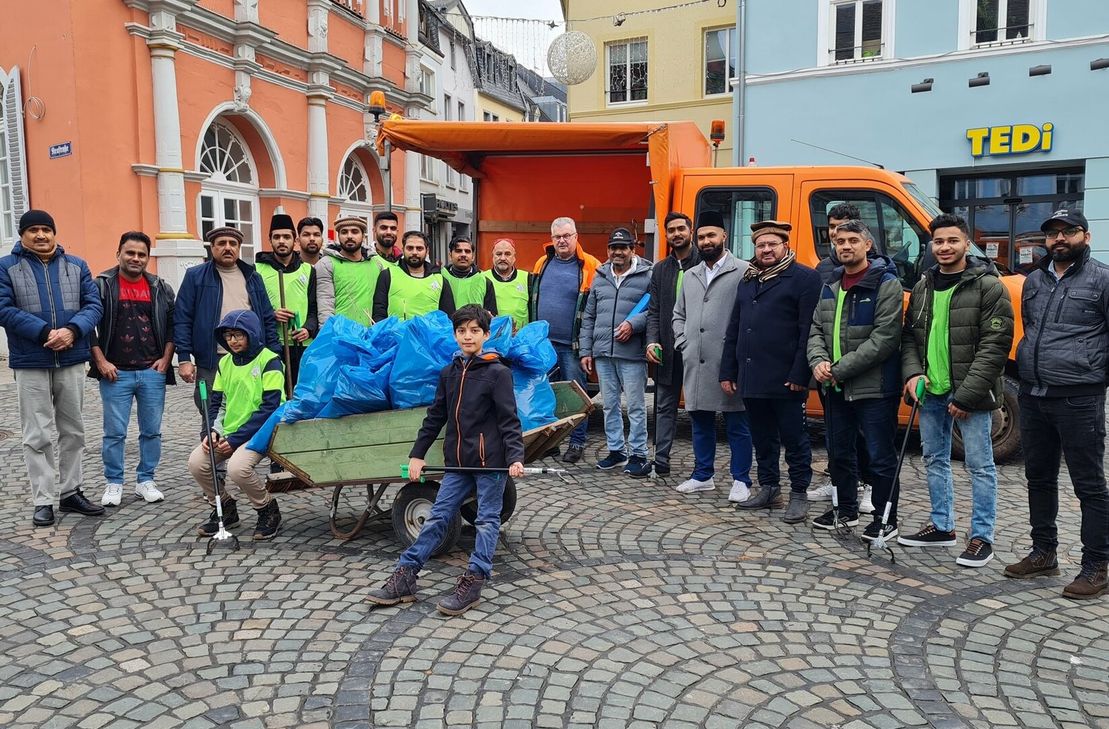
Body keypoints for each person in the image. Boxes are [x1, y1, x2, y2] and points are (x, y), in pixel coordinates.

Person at [367, 305, 525, 616]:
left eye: (474, 331)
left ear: (486, 335)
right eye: (462, 331)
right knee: (439, 515)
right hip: (458, 462)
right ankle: (406, 577)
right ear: (454, 335)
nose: (468, 336)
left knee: (486, 520)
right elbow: (436, 416)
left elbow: (509, 420)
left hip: (490, 464)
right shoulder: (449, 372)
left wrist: (515, 457)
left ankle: (475, 579)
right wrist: (417, 454)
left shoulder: (498, 373)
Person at [1004, 208, 1109, 599]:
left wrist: (1094, 377)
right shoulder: (1034, 281)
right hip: (1034, 393)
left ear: (1086, 236)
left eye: (1069, 231)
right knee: (1039, 477)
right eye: (1053, 233)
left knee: (1089, 484)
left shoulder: (1102, 279)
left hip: (1079, 396)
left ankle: (1097, 564)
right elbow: (1032, 329)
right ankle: (1043, 551)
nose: (1060, 238)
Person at [898, 213, 1013, 567]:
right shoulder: (923, 286)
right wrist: (914, 374)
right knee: (934, 459)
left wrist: (968, 395)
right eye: (938, 241)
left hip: (969, 394)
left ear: (966, 243)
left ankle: (981, 537)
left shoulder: (988, 285)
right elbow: (910, 337)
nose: (945, 247)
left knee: (980, 465)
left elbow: (996, 344)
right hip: (930, 391)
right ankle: (942, 526)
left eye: (952, 241)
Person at [0, 209, 105, 527]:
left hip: (71, 359)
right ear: (23, 235)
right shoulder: (7, 267)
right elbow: (3, 308)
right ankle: (43, 499)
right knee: (37, 434)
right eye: (33, 230)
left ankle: (70, 492)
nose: (41, 235)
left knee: (73, 431)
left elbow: (94, 305)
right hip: (31, 360)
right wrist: (46, 332)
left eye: (46, 229)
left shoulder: (77, 265)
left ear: (55, 233)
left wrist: (72, 330)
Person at [807, 220, 905, 539]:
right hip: (834, 387)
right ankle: (846, 510)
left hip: (873, 387)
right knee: (839, 452)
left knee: (879, 455)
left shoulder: (885, 283)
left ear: (867, 245)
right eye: (839, 241)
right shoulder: (830, 284)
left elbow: (884, 339)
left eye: (852, 240)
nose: (845, 246)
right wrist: (818, 361)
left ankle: (885, 517)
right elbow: (815, 330)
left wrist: (837, 368)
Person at [721, 220, 821, 521]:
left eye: (771, 245)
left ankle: (799, 493)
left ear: (785, 246)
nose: (766, 250)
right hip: (752, 375)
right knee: (762, 437)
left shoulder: (804, 278)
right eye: (761, 245)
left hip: (786, 378)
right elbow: (735, 327)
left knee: (794, 438)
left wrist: (799, 374)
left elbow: (808, 331)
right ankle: (769, 488)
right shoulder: (749, 279)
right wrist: (728, 370)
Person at [90, 231, 177, 507]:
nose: (136, 258)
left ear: (148, 258)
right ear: (118, 253)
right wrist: (101, 362)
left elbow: (174, 326)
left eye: (141, 254)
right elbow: (87, 327)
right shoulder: (102, 285)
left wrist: (166, 359)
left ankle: (145, 480)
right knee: (114, 432)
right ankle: (114, 483)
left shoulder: (160, 287)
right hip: (116, 373)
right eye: (130, 252)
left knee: (151, 431)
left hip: (152, 371)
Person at [672, 211, 752, 500]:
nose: (706, 241)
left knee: (737, 423)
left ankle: (741, 479)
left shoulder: (743, 271)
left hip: (728, 362)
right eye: (702, 236)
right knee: (700, 421)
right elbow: (678, 314)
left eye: (711, 236)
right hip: (696, 360)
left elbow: (749, 316)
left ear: (724, 236)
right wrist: (684, 342)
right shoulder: (690, 275)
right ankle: (702, 474)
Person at [187, 310, 284, 541]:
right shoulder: (225, 363)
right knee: (197, 463)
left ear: (252, 334)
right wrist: (212, 431)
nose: (233, 340)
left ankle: (267, 509)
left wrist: (234, 441)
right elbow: (216, 404)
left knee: (238, 469)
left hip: (264, 431)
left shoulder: (270, 360)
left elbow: (269, 408)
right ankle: (225, 508)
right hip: (231, 432)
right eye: (229, 336)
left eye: (239, 335)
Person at [174, 226, 278, 428]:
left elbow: (266, 317)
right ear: (212, 248)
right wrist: (185, 358)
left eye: (233, 244)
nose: (227, 248)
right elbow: (182, 318)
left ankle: (244, 458)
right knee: (210, 412)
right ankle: (212, 457)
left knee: (252, 410)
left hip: (251, 358)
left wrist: (274, 354)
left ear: (239, 248)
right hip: (212, 360)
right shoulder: (195, 276)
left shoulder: (253, 277)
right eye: (221, 243)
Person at [809, 203, 875, 514]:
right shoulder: (824, 269)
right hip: (828, 371)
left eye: (844, 228)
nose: (838, 234)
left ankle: (869, 484)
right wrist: (820, 362)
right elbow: (817, 322)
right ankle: (840, 482)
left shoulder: (876, 269)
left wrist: (841, 368)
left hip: (861, 373)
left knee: (866, 435)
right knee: (836, 435)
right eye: (833, 228)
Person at [578, 228, 652, 477]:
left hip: (632, 353)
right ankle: (616, 450)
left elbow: (655, 310)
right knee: (609, 405)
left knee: (635, 406)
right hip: (602, 352)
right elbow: (589, 317)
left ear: (633, 249)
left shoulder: (647, 275)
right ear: (608, 250)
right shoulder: (599, 275)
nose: (617, 252)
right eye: (613, 248)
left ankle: (639, 454)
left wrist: (634, 324)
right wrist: (586, 350)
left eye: (623, 248)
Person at [531, 216, 601, 464]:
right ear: (551, 239)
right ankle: (550, 442)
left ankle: (577, 442)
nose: (562, 240)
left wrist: (587, 347)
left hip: (572, 345)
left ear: (576, 237)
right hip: (544, 344)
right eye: (557, 236)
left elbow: (597, 308)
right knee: (545, 394)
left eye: (566, 236)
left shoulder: (590, 265)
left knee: (575, 394)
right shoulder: (542, 262)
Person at [646, 212, 701, 477]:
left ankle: (703, 468)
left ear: (691, 231)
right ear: (666, 235)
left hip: (699, 348)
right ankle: (661, 459)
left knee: (700, 407)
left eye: (681, 228)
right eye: (671, 230)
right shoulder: (660, 269)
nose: (676, 234)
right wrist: (652, 341)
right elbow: (654, 310)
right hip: (667, 348)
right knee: (664, 406)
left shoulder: (704, 262)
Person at [255, 213, 318, 386]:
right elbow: (251, 308)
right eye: (276, 237)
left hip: (301, 344)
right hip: (271, 343)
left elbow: (314, 309)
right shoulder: (257, 270)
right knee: (275, 393)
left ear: (295, 241)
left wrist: (308, 329)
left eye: (286, 237)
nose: (281, 241)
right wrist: (271, 314)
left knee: (301, 393)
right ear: (270, 240)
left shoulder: (308, 270)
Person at [316, 215, 389, 327]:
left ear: (364, 236)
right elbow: (325, 305)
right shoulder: (326, 264)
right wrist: (329, 335)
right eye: (344, 232)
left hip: (371, 336)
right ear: (338, 236)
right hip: (341, 336)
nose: (349, 236)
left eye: (355, 232)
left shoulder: (377, 264)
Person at [372, 231, 455, 321]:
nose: (414, 252)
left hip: (428, 335)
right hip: (396, 335)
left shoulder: (440, 280)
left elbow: (448, 318)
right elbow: (379, 314)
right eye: (410, 248)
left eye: (419, 248)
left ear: (427, 251)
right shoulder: (387, 275)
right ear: (403, 249)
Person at [484, 238, 530, 330]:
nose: (503, 258)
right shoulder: (483, 278)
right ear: (493, 256)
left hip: (521, 338)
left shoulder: (527, 278)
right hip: (492, 337)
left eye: (508, 254)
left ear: (514, 257)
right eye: (498, 254)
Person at [441, 235, 497, 312]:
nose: (463, 254)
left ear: (473, 257)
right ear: (450, 255)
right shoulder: (440, 278)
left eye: (467, 251)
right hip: (445, 324)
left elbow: (491, 314)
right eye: (458, 251)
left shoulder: (484, 281)